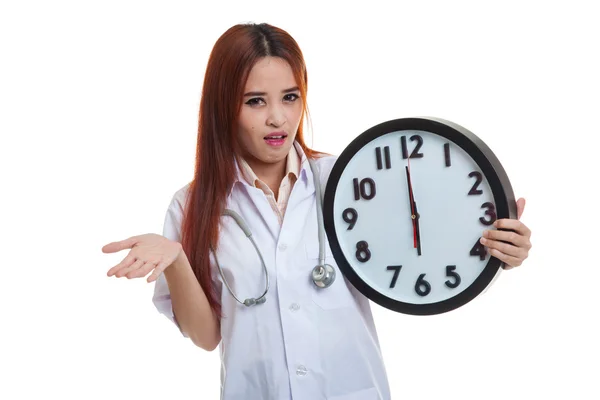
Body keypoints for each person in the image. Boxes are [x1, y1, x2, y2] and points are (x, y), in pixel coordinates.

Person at [102, 22, 533, 400]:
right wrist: (176, 259)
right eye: (255, 101)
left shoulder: (347, 180)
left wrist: (496, 249)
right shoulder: (191, 205)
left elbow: (416, 241)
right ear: (223, 107)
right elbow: (207, 336)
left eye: (289, 97)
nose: (278, 118)